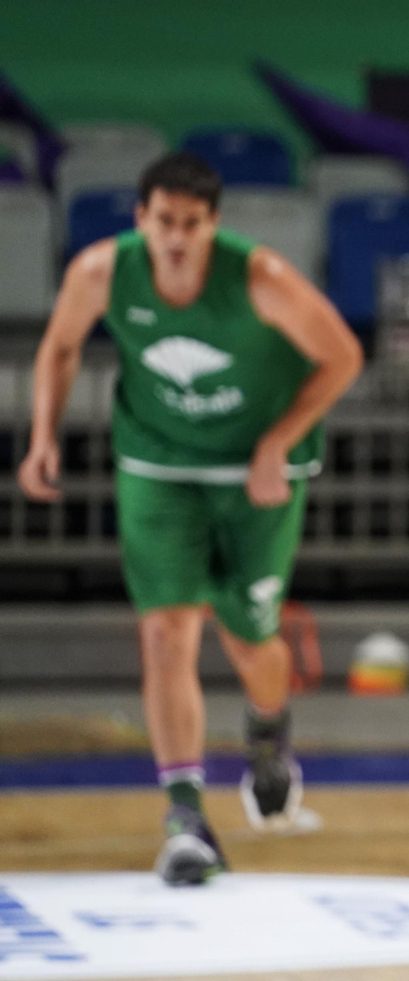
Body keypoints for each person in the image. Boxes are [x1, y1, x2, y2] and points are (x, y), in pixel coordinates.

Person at [17, 152, 363, 886]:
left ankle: (268, 733)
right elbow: (61, 346)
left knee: (249, 638)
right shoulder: (102, 272)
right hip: (159, 462)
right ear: (141, 219)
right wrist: (44, 434)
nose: (176, 237)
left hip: (257, 471)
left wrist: (276, 441)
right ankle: (184, 815)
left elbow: (343, 357)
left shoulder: (262, 279)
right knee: (167, 633)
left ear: (214, 226)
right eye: (163, 222)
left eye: (192, 225)